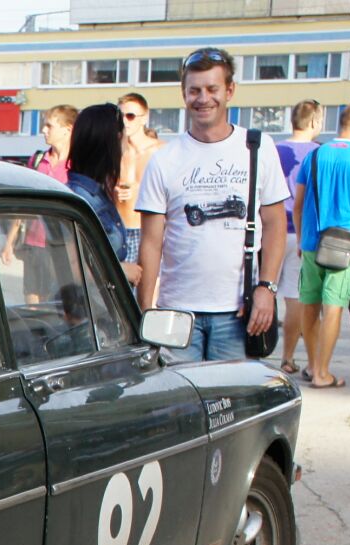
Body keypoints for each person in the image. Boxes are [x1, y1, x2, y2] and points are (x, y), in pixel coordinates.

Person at [136, 47, 287, 363]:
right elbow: (151, 243)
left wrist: (267, 289)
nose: (203, 98)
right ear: (184, 94)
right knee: (180, 407)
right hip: (176, 314)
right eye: (194, 90)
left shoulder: (257, 148)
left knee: (232, 407)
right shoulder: (164, 159)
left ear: (229, 91)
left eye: (212, 89)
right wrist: (145, 311)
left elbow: (275, 225)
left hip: (237, 312)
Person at [291, 102, 350, 389]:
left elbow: (298, 205)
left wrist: (301, 239)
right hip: (344, 245)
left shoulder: (314, 156)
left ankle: (312, 366)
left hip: (312, 242)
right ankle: (323, 373)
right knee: (334, 306)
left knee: (309, 304)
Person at [1, 105, 77, 303]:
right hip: (33, 243)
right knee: (31, 298)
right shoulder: (38, 160)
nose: (44, 130)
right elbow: (24, 203)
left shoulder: (76, 165)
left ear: (67, 129)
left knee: (53, 302)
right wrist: (9, 242)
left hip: (60, 244)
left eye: (49, 126)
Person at [273, 100, 325, 374]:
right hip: (299, 232)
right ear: (315, 122)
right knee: (295, 297)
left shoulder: (274, 149)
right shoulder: (319, 154)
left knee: (264, 291)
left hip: (271, 230)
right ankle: (288, 358)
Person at [66, 104, 141, 286]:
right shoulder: (79, 199)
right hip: (87, 311)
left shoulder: (96, 193)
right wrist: (122, 270)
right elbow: (74, 271)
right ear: (117, 138)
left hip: (100, 308)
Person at [115, 92, 162, 262]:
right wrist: (114, 190)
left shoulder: (160, 151)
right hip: (120, 229)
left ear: (144, 118)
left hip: (149, 229)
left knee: (151, 285)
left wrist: (139, 189)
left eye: (130, 116)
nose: (125, 121)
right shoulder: (114, 151)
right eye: (121, 116)